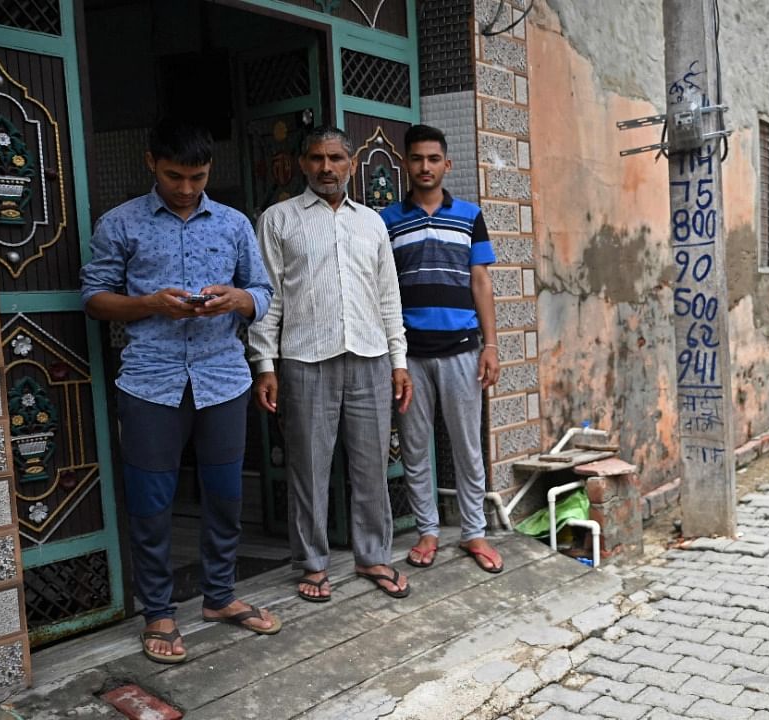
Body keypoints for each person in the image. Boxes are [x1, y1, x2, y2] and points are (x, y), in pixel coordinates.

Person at [81, 119, 280, 664]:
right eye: (175, 176)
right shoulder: (120, 224)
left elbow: (262, 293)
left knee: (226, 494)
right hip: (150, 380)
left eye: (198, 176)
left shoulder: (236, 224)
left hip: (222, 378)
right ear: (151, 164)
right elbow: (95, 298)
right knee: (151, 502)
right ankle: (159, 612)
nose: (188, 187)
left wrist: (236, 299)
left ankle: (219, 597)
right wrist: (150, 303)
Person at [247, 126, 414, 601]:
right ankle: (312, 563)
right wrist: (265, 363)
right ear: (303, 164)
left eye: (336, 158)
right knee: (309, 468)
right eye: (317, 158)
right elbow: (270, 298)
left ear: (351, 163)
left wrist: (398, 361)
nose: (327, 168)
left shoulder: (372, 223)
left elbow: (388, 297)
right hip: (304, 359)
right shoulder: (278, 220)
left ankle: (373, 556)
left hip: (370, 357)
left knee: (370, 467)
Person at [379, 124, 503, 573]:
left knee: (468, 446)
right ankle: (427, 531)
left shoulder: (469, 215)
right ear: (405, 163)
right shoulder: (387, 221)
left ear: (446, 164)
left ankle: (475, 533)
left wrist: (490, 345)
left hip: (462, 351)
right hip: (410, 356)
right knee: (415, 447)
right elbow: (384, 288)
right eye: (417, 159)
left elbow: (482, 282)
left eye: (434, 159)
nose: (425, 167)